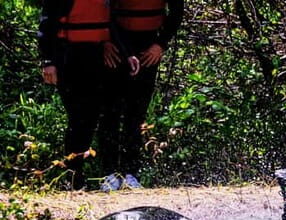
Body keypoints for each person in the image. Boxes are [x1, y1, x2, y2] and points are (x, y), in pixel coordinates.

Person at [38, 0, 138, 190]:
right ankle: (73, 179)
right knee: (78, 118)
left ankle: (97, 176)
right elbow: (46, 24)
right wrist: (48, 61)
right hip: (68, 55)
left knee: (93, 116)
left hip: (97, 54)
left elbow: (110, 23)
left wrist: (127, 54)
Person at [98, 0, 185, 191]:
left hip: (148, 46)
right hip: (116, 44)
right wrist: (105, 40)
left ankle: (131, 173)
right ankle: (109, 173)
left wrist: (160, 45)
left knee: (136, 113)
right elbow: (103, 10)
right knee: (110, 112)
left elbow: (177, 12)